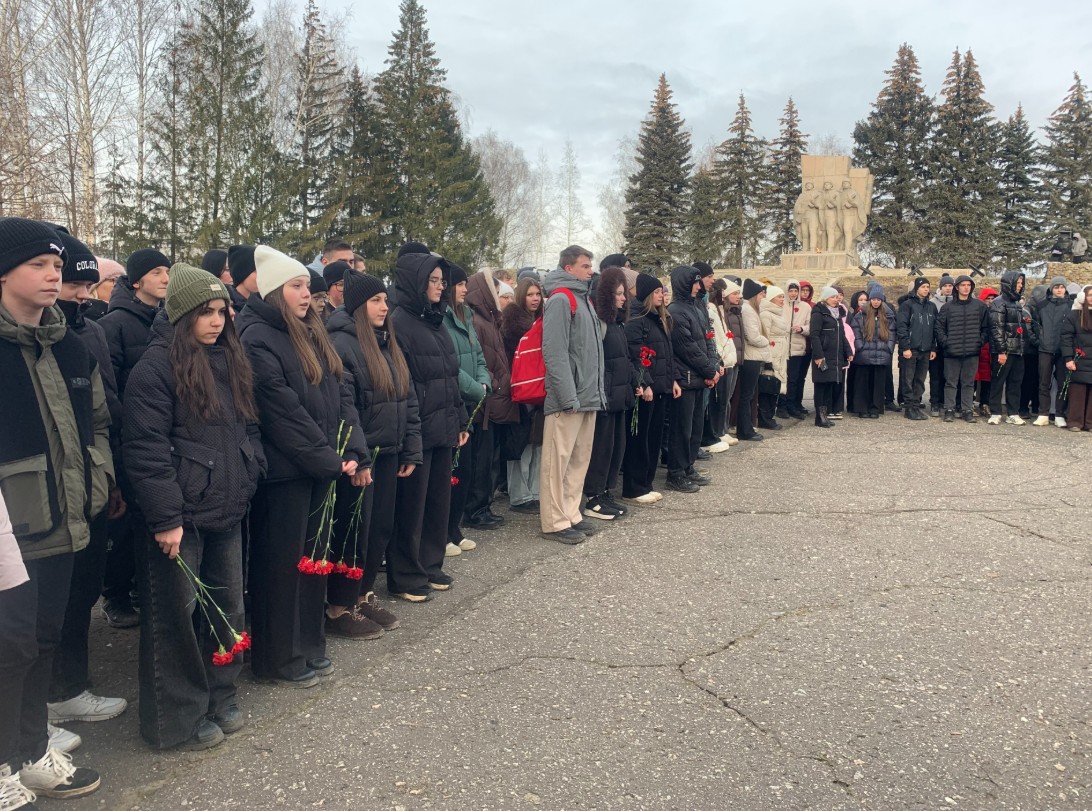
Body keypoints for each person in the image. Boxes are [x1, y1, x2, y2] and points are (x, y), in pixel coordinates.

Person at [122, 264, 265, 750]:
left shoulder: (230, 360)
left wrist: (252, 469)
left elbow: (248, 427)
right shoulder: (154, 367)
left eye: (222, 310)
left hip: (227, 506)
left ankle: (220, 694)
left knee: (228, 609)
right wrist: (166, 517)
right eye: (205, 312)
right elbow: (145, 449)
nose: (217, 320)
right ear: (183, 315)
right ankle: (177, 718)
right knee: (177, 618)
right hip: (181, 518)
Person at [0, 217, 112, 802]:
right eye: (38, 266)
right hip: (7, 532)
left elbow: (96, 421)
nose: (53, 276)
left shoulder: (69, 342)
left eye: (57, 267)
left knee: (44, 637)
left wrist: (98, 479)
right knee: (7, 645)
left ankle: (27, 751)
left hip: (64, 518)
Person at [236, 245, 369, 686]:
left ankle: (309, 644)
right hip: (286, 473)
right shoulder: (256, 336)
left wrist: (353, 450)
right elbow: (282, 412)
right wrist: (329, 460)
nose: (307, 294)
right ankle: (279, 657)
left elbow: (341, 391)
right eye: (296, 286)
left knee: (314, 562)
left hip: (322, 468)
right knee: (282, 567)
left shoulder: (312, 330)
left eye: (307, 287)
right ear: (275, 290)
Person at [47, 231, 128, 745]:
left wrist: (109, 477)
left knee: (81, 589)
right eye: (72, 283)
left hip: (90, 482)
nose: (79, 293)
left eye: (84, 284)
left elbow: (104, 411)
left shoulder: (88, 335)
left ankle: (68, 687)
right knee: (36, 610)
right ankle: (32, 710)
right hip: (39, 493)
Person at [326, 270, 421, 638]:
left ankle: (362, 595)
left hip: (391, 451)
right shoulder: (342, 343)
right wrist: (359, 457)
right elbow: (344, 408)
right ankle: (338, 606)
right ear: (357, 306)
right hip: (363, 457)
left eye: (385, 300)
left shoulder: (388, 343)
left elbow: (407, 398)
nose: (384, 307)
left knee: (379, 529)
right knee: (354, 533)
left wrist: (411, 448)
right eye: (375, 301)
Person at [388, 250, 469, 599]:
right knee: (412, 508)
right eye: (433, 281)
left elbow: (449, 376)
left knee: (438, 502)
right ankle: (406, 574)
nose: (440, 287)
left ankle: (431, 564)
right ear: (416, 283)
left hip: (443, 426)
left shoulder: (436, 322)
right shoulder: (400, 324)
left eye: (441, 281)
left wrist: (461, 419)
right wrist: (410, 436)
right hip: (418, 430)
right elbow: (403, 386)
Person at [99, 248, 171, 631]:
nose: (164, 278)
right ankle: (116, 594)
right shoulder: (116, 324)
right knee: (124, 524)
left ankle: (145, 589)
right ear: (137, 280)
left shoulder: (166, 319)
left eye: (168, 271)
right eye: (157, 272)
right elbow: (110, 388)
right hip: (128, 433)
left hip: (158, 433)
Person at [539, 246, 605, 544]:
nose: (590, 270)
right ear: (568, 268)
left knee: (578, 460)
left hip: (587, 395)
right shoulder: (561, 300)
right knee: (558, 462)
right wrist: (567, 395)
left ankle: (571, 513)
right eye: (584, 265)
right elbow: (554, 352)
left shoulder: (584, 299)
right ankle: (554, 521)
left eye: (590, 265)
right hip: (568, 398)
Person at [463, 269, 518, 532]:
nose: (499, 297)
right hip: (487, 402)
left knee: (490, 459)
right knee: (481, 460)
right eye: (496, 292)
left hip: (495, 399)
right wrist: (495, 385)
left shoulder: (489, 321)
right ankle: (475, 509)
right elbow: (481, 361)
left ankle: (484, 505)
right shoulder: (477, 322)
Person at [442, 265, 492, 549]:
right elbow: (450, 366)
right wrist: (476, 389)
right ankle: (443, 532)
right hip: (456, 403)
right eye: (460, 285)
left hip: (471, 406)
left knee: (464, 472)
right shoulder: (443, 320)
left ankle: (454, 529)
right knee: (451, 473)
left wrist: (484, 383)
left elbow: (479, 357)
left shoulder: (466, 317)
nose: (465, 290)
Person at [583, 267, 636, 518]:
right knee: (601, 450)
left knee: (616, 448)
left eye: (624, 293)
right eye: (618, 294)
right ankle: (593, 496)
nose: (623, 298)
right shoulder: (600, 323)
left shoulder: (617, 323)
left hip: (618, 397)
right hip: (604, 398)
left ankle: (605, 491)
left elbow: (624, 359)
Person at [622, 273, 679, 504]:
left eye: (662, 291)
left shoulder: (659, 319)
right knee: (640, 439)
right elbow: (634, 356)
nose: (662, 295)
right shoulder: (637, 321)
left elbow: (667, 355)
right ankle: (634, 488)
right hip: (646, 390)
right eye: (657, 292)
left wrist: (672, 380)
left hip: (661, 387)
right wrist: (643, 383)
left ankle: (646, 483)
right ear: (646, 295)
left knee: (654, 438)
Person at [666, 266, 720, 493]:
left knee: (696, 427)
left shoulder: (696, 308)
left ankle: (688, 466)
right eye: (695, 282)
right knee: (682, 429)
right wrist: (710, 370)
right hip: (687, 378)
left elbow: (708, 338)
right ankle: (676, 472)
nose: (699, 286)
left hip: (701, 377)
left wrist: (713, 367)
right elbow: (686, 347)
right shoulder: (676, 311)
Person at [500, 277, 544, 514]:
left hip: (541, 389)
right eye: (530, 294)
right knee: (520, 443)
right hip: (521, 388)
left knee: (537, 442)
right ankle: (519, 494)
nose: (535, 298)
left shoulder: (542, 320)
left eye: (538, 294)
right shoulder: (514, 324)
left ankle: (535, 492)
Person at [935, 275, 988, 423]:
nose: (966, 288)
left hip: (972, 352)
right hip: (951, 352)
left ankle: (967, 410)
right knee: (950, 382)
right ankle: (949, 409)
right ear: (956, 287)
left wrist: (979, 342)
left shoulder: (980, 306)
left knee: (969, 383)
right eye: (963, 285)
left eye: (968, 285)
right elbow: (939, 328)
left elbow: (986, 328)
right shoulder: (947, 308)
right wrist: (946, 343)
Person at [987, 271, 1030, 425]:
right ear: (1009, 284)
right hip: (1004, 351)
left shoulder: (1017, 304)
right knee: (998, 381)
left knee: (1015, 382)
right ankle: (995, 412)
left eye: (1021, 283)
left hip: (1018, 350)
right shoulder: (998, 303)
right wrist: (1001, 351)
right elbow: (996, 329)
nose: (1020, 286)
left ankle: (1013, 412)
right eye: (1017, 283)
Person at [1031, 276, 1073, 427]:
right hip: (1045, 349)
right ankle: (1043, 413)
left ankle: (1059, 414)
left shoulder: (1071, 305)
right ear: (1052, 289)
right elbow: (1035, 325)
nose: (1059, 289)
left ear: (1065, 288)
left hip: (1063, 350)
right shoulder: (1042, 305)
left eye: (1062, 287)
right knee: (1043, 382)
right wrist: (1039, 340)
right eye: (1056, 287)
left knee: (1063, 383)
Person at [895, 277, 937, 421]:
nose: (926, 289)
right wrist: (905, 347)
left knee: (920, 379)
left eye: (928, 286)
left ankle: (915, 405)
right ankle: (908, 407)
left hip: (925, 349)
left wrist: (933, 348)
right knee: (908, 379)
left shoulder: (931, 307)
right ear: (917, 288)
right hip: (911, 349)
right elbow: (901, 327)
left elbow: (934, 329)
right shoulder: (907, 305)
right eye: (923, 286)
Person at [850, 290, 896, 418]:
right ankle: (862, 408)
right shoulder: (861, 315)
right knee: (863, 383)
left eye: (878, 300)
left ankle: (875, 408)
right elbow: (856, 331)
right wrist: (860, 347)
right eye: (874, 299)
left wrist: (888, 348)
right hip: (864, 354)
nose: (876, 302)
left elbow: (892, 333)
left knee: (878, 384)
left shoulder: (887, 316)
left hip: (881, 353)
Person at [810, 286, 851, 427]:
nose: (836, 299)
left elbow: (842, 335)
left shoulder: (838, 313)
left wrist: (848, 351)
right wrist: (819, 355)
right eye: (833, 297)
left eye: (837, 297)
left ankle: (825, 415)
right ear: (826, 298)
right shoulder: (818, 313)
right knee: (821, 386)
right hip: (823, 356)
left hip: (836, 356)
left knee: (829, 385)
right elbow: (814, 335)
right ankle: (819, 417)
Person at [704, 279, 738, 448]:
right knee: (718, 400)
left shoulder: (719, 310)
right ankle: (717, 431)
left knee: (725, 399)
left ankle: (722, 430)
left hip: (728, 356)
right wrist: (720, 356)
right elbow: (714, 336)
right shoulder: (710, 309)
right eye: (722, 291)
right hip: (721, 357)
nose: (724, 294)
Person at [737, 279, 768, 441]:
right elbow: (753, 336)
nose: (762, 298)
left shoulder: (751, 309)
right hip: (751, 357)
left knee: (748, 395)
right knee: (746, 395)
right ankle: (745, 430)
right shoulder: (748, 310)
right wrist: (766, 340)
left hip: (754, 357)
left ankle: (747, 427)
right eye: (761, 295)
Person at [1061, 285, 1092, 429]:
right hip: (1079, 359)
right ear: (1083, 297)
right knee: (1078, 392)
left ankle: (1089, 423)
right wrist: (1068, 358)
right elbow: (1066, 338)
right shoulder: (1074, 316)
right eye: (1090, 295)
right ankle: (1075, 422)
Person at [759, 286, 789, 429]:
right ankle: (765, 418)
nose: (782, 299)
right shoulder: (766, 314)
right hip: (771, 353)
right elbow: (765, 336)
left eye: (783, 296)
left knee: (776, 386)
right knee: (768, 386)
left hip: (780, 353)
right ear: (771, 298)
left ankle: (770, 416)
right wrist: (767, 360)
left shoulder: (778, 313)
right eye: (779, 297)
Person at [926, 275, 955, 416]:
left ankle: (946, 402)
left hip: (952, 345)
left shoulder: (958, 302)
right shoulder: (933, 303)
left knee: (949, 376)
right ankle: (935, 402)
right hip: (936, 345)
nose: (948, 288)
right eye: (945, 286)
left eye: (950, 286)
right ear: (941, 287)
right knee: (935, 375)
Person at [782, 280, 811, 418]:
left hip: (797, 347)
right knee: (782, 378)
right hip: (783, 347)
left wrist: (802, 329)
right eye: (791, 291)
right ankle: (781, 406)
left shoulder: (805, 307)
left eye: (795, 291)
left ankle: (792, 405)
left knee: (794, 379)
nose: (793, 294)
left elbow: (810, 326)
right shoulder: (781, 305)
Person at [975, 287, 999, 415]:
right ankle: (971, 402)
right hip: (978, 346)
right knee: (973, 377)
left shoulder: (998, 311)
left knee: (987, 378)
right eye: (987, 299)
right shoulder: (977, 311)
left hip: (991, 348)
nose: (990, 301)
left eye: (992, 299)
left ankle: (985, 403)